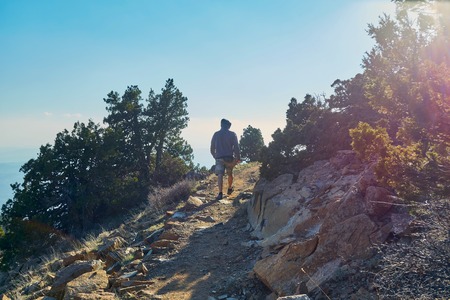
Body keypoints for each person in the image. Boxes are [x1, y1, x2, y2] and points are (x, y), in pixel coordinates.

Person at [210, 118, 241, 200]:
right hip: (229, 157)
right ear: (228, 126)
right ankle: (230, 188)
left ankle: (220, 193)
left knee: (220, 175)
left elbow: (212, 148)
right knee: (230, 174)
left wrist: (215, 156)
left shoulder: (216, 134)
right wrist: (238, 157)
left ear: (221, 125)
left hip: (219, 157)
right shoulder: (232, 134)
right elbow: (236, 147)